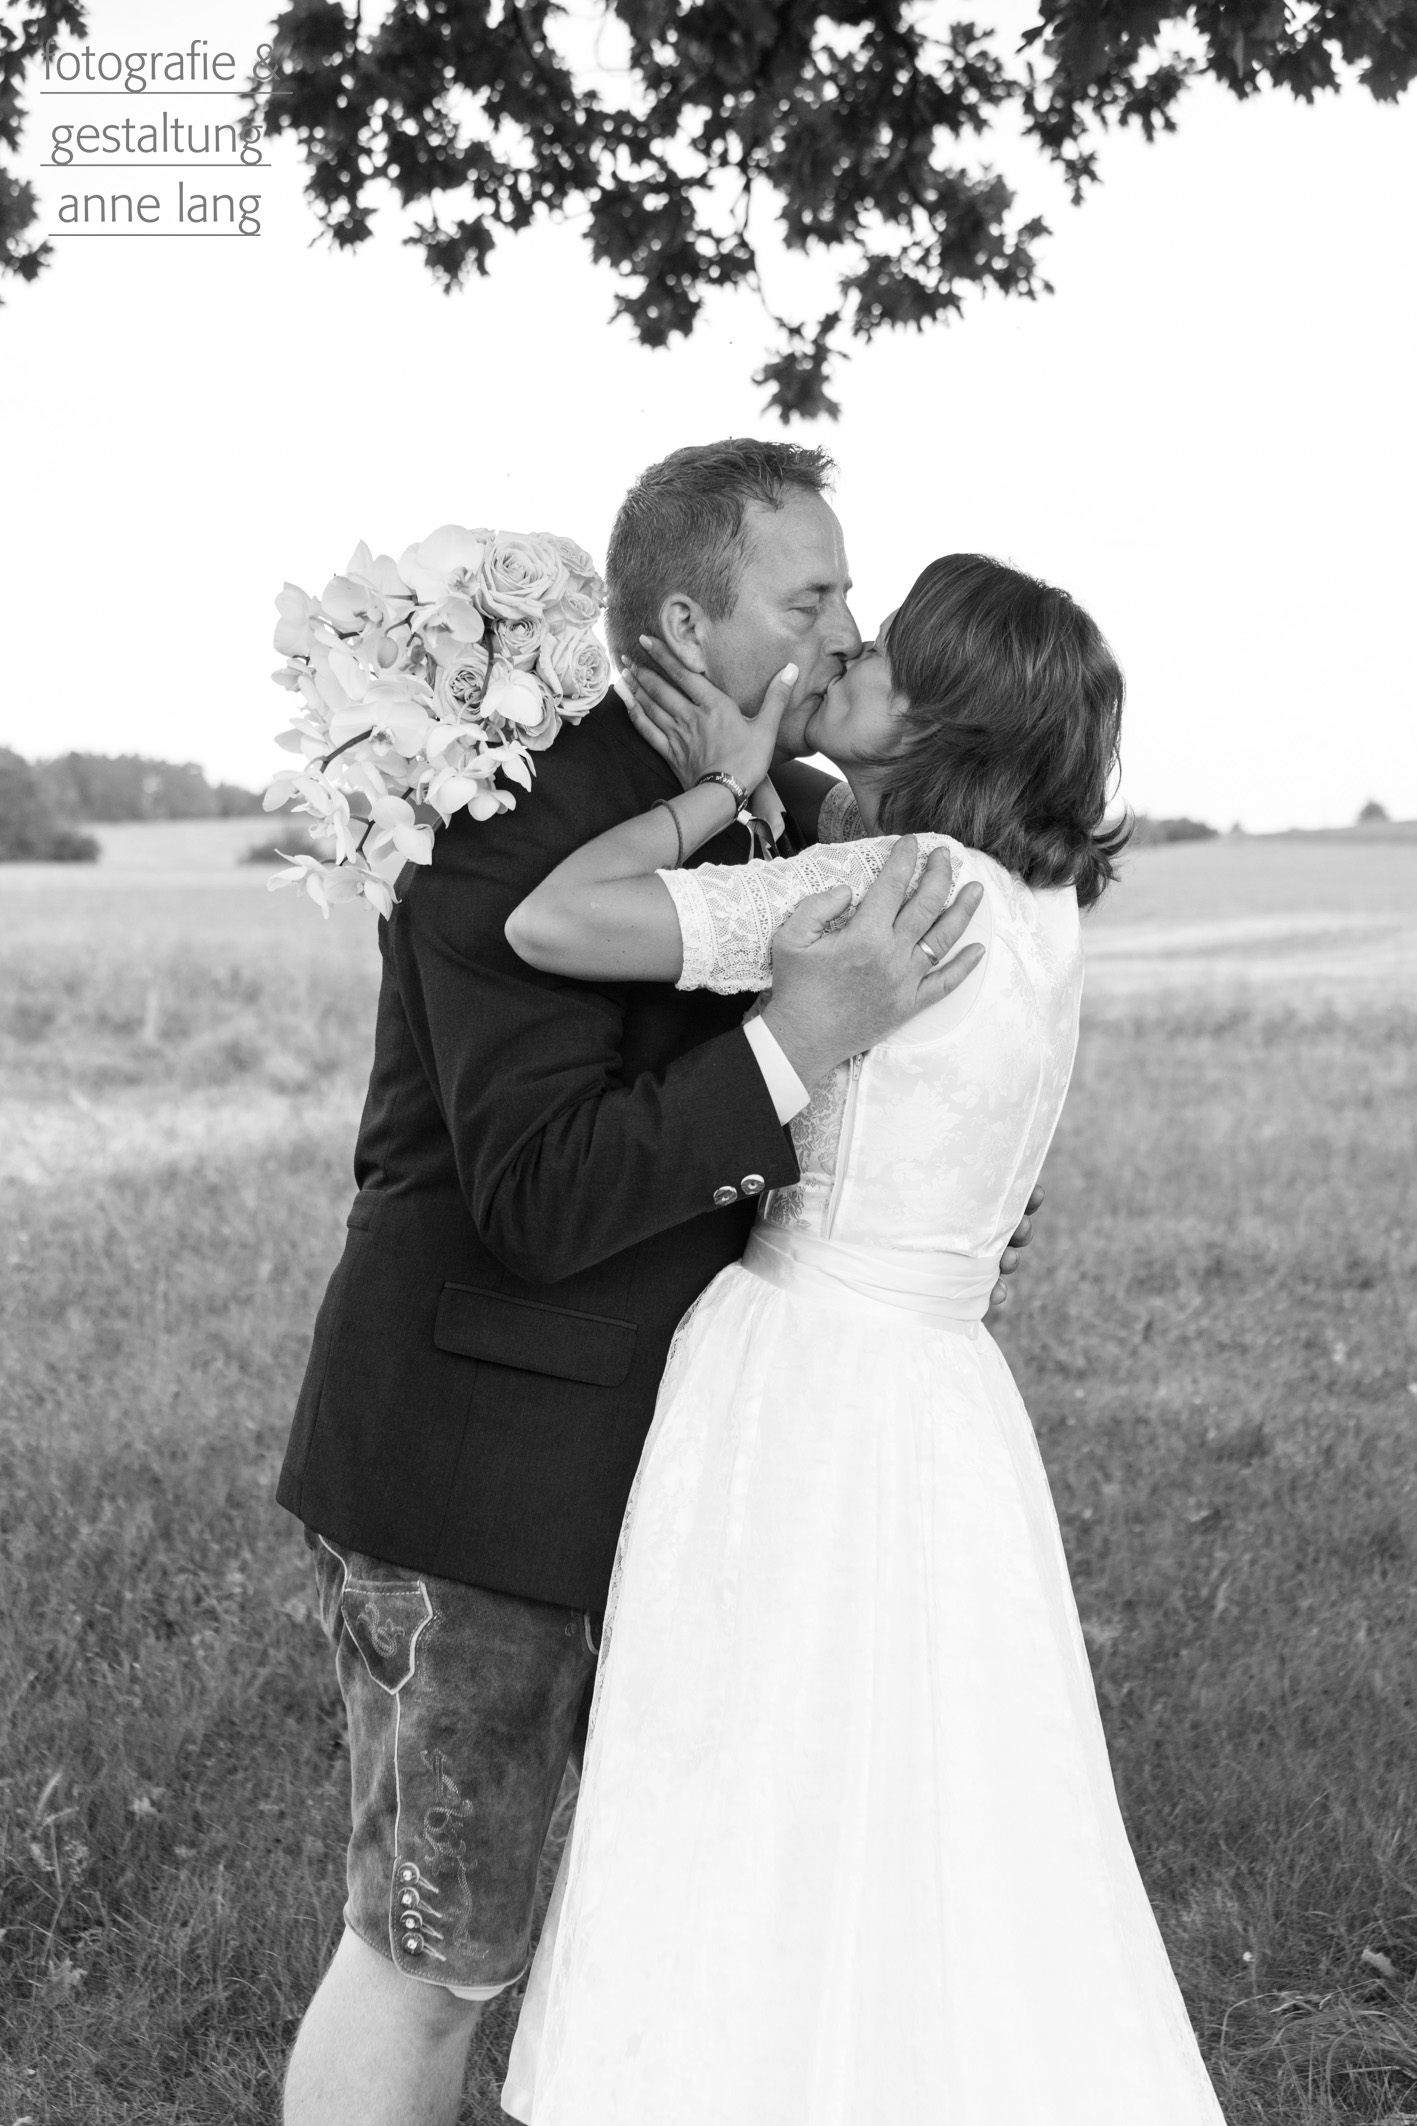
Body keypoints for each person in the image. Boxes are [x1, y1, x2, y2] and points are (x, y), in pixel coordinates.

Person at [277, 443, 1040, 2126]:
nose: (848, 633)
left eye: (851, 593)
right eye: (811, 597)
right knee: (434, 1960)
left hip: (674, 1475)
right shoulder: (510, 816)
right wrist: (797, 1038)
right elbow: (539, 1194)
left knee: (650, 1934)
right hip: (479, 1476)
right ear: (690, 627)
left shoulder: (809, 810)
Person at [499, 556, 1228, 2123]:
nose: (848, 656)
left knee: (746, 1767)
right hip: (945, 1387)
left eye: (886, 652)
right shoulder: (1040, 905)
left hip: (798, 1374)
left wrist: (724, 787)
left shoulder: (884, 885)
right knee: (936, 1784)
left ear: (942, 716)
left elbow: (554, 919)